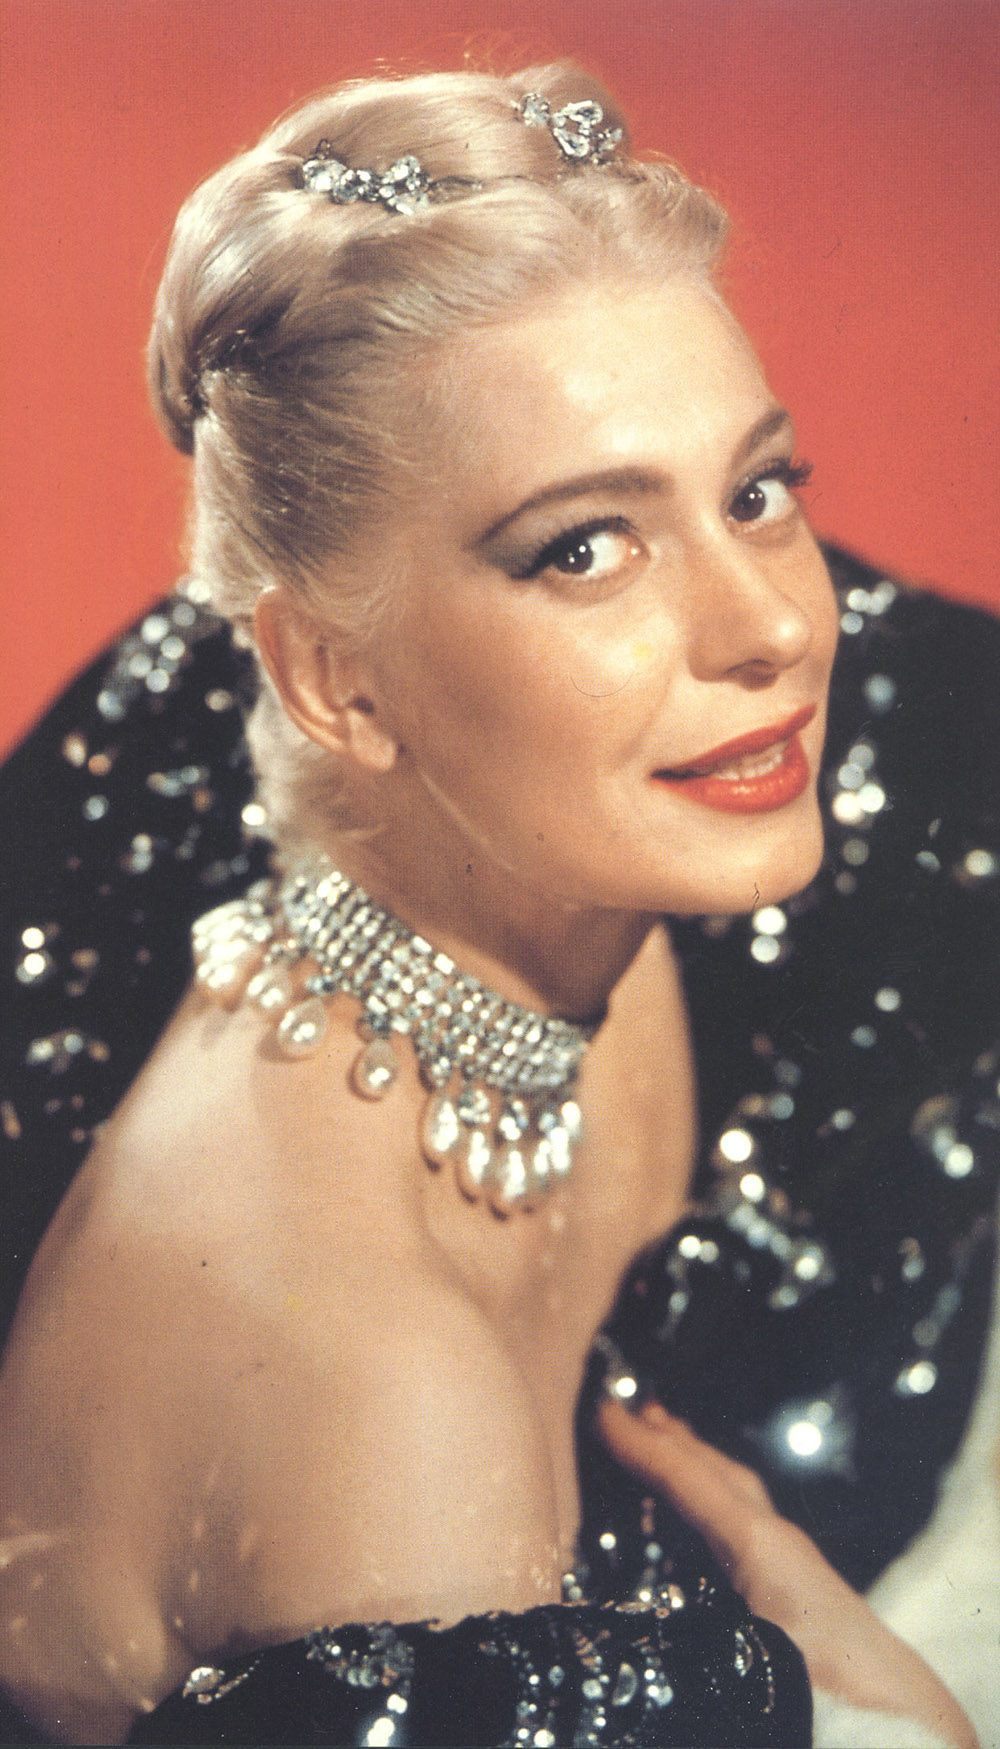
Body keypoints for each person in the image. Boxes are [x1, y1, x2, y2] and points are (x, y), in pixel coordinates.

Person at [0, 61, 997, 1749]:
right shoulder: (385, 1432)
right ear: (332, 679)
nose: (773, 625)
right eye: (584, 549)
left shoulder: (561, 869)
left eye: (758, 491)